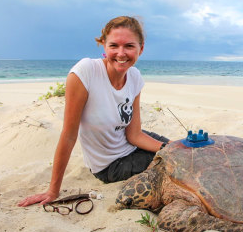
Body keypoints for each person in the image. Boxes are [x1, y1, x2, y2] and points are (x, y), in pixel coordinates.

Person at [18, 16, 169, 207]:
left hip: (130, 142)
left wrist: (170, 148)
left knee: (183, 149)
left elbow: (134, 134)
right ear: (104, 45)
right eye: (114, 45)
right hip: (111, 165)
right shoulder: (86, 72)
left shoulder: (135, 76)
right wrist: (53, 190)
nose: (121, 53)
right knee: (174, 163)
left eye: (129, 46)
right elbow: (69, 135)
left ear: (141, 48)